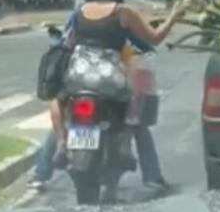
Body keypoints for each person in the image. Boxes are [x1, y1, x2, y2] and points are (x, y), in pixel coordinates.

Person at [49, 0, 190, 170]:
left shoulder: (79, 11)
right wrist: (174, 16)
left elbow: (66, 42)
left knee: (57, 99)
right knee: (135, 98)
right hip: (109, 77)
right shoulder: (124, 12)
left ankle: (61, 143)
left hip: (77, 77)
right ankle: (125, 146)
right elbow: (155, 38)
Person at [29, 18, 168, 191]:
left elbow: (65, 40)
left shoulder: (79, 15)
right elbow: (144, 44)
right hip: (111, 83)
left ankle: (44, 169)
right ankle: (150, 173)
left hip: (79, 83)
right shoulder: (121, 16)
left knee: (61, 118)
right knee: (137, 114)